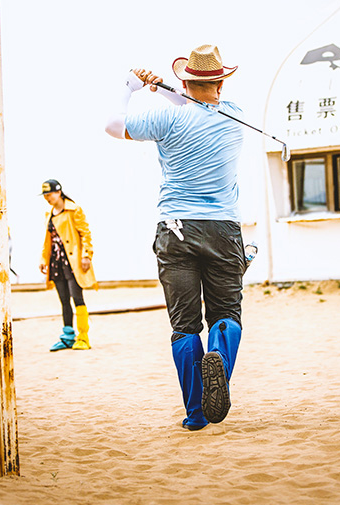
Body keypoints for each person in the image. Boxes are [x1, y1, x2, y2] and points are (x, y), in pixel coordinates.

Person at [105, 44, 247, 430]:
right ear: (221, 83)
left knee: (185, 326)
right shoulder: (236, 119)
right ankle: (218, 355)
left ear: (185, 80)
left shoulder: (166, 120)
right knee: (226, 316)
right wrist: (167, 89)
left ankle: (196, 413)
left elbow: (112, 125)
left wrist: (132, 87)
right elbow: (198, 104)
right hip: (222, 228)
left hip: (175, 228)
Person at [39, 179, 98, 351]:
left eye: (49, 194)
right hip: (56, 262)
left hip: (72, 262)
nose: (47, 198)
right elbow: (47, 241)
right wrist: (43, 259)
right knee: (64, 300)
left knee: (77, 298)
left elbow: (85, 234)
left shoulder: (74, 210)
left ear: (59, 192)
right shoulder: (49, 215)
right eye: (45, 195)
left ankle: (83, 337)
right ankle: (67, 337)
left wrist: (86, 255)